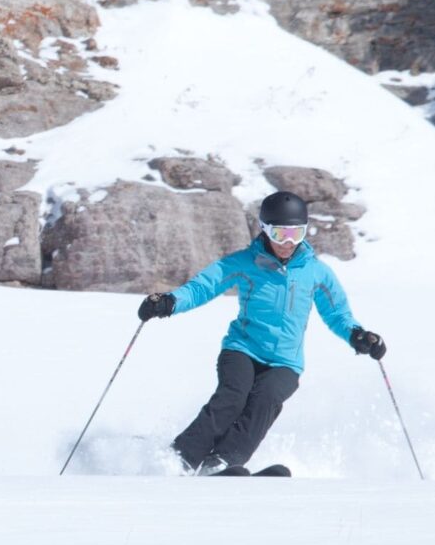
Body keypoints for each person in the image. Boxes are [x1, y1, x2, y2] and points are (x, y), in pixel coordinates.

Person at [137, 190, 386, 476]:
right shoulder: (245, 263)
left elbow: (337, 313)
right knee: (233, 396)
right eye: (280, 234)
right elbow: (204, 286)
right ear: (265, 230)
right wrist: (170, 302)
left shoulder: (316, 272)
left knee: (265, 401)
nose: (288, 243)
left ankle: (222, 461)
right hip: (242, 349)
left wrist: (358, 336)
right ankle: (181, 458)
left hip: (285, 362)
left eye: (296, 233)